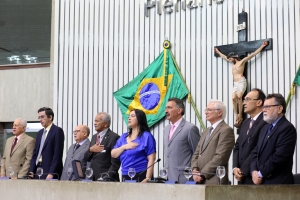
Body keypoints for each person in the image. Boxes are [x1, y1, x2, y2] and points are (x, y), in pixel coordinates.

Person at [214, 41, 268, 127]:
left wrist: (262, 46)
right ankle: (237, 115)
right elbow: (224, 57)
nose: (229, 60)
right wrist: (218, 52)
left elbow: (253, 55)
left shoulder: (242, 62)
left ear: (234, 57)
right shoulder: (233, 64)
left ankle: (240, 115)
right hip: (235, 83)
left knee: (239, 97)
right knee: (233, 98)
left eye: (230, 58)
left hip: (241, 81)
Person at [250, 93, 297, 184]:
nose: (264, 110)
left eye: (267, 107)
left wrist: (260, 174)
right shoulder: (264, 128)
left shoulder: (287, 128)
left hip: (278, 184)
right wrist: (253, 171)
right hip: (261, 182)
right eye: (263, 107)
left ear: (279, 108)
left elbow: (279, 156)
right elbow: (255, 152)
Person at [191, 100, 235, 184]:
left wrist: (203, 174)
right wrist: (195, 170)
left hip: (214, 180)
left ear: (219, 113)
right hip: (199, 179)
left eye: (209, 110)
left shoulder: (226, 130)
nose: (206, 112)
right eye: (206, 110)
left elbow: (220, 157)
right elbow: (196, 153)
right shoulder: (206, 131)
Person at [232, 88, 267, 184]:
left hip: (254, 176)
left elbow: (258, 148)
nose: (243, 103)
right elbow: (237, 147)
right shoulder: (246, 122)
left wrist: (243, 170)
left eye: (247, 99)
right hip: (240, 177)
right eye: (244, 100)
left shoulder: (265, 122)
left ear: (259, 102)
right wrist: (235, 168)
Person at [112, 109, 156, 182]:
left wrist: (147, 178)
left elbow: (151, 159)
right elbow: (113, 154)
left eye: (132, 116)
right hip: (125, 174)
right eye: (129, 116)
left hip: (141, 173)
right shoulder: (123, 137)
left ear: (139, 119)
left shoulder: (146, 136)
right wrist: (125, 147)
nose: (129, 118)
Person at [163, 98, 200, 183]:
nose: (166, 111)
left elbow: (197, 153)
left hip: (184, 178)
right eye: (166, 108)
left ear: (179, 110)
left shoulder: (190, 128)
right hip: (168, 178)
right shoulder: (166, 129)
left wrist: (196, 172)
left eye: (169, 108)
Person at [29, 107, 65, 179]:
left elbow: (57, 154)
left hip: (49, 170)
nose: (40, 120)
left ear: (50, 117)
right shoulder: (40, 133)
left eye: (42, 117)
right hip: (38, 169)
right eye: (39, 117)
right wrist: (31, 171)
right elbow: (35, 153)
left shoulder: (57, 131)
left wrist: (51, 173)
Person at [84, 112, 120, 181]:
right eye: (94, 121)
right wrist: (90, 150)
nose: (94, 123)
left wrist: (107, 176)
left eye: (97, 121)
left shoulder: (114, 137)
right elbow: (86, 158)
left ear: (106, 124)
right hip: (92, 178)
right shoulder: (94, 137)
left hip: (106, 179)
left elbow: (115, 163)